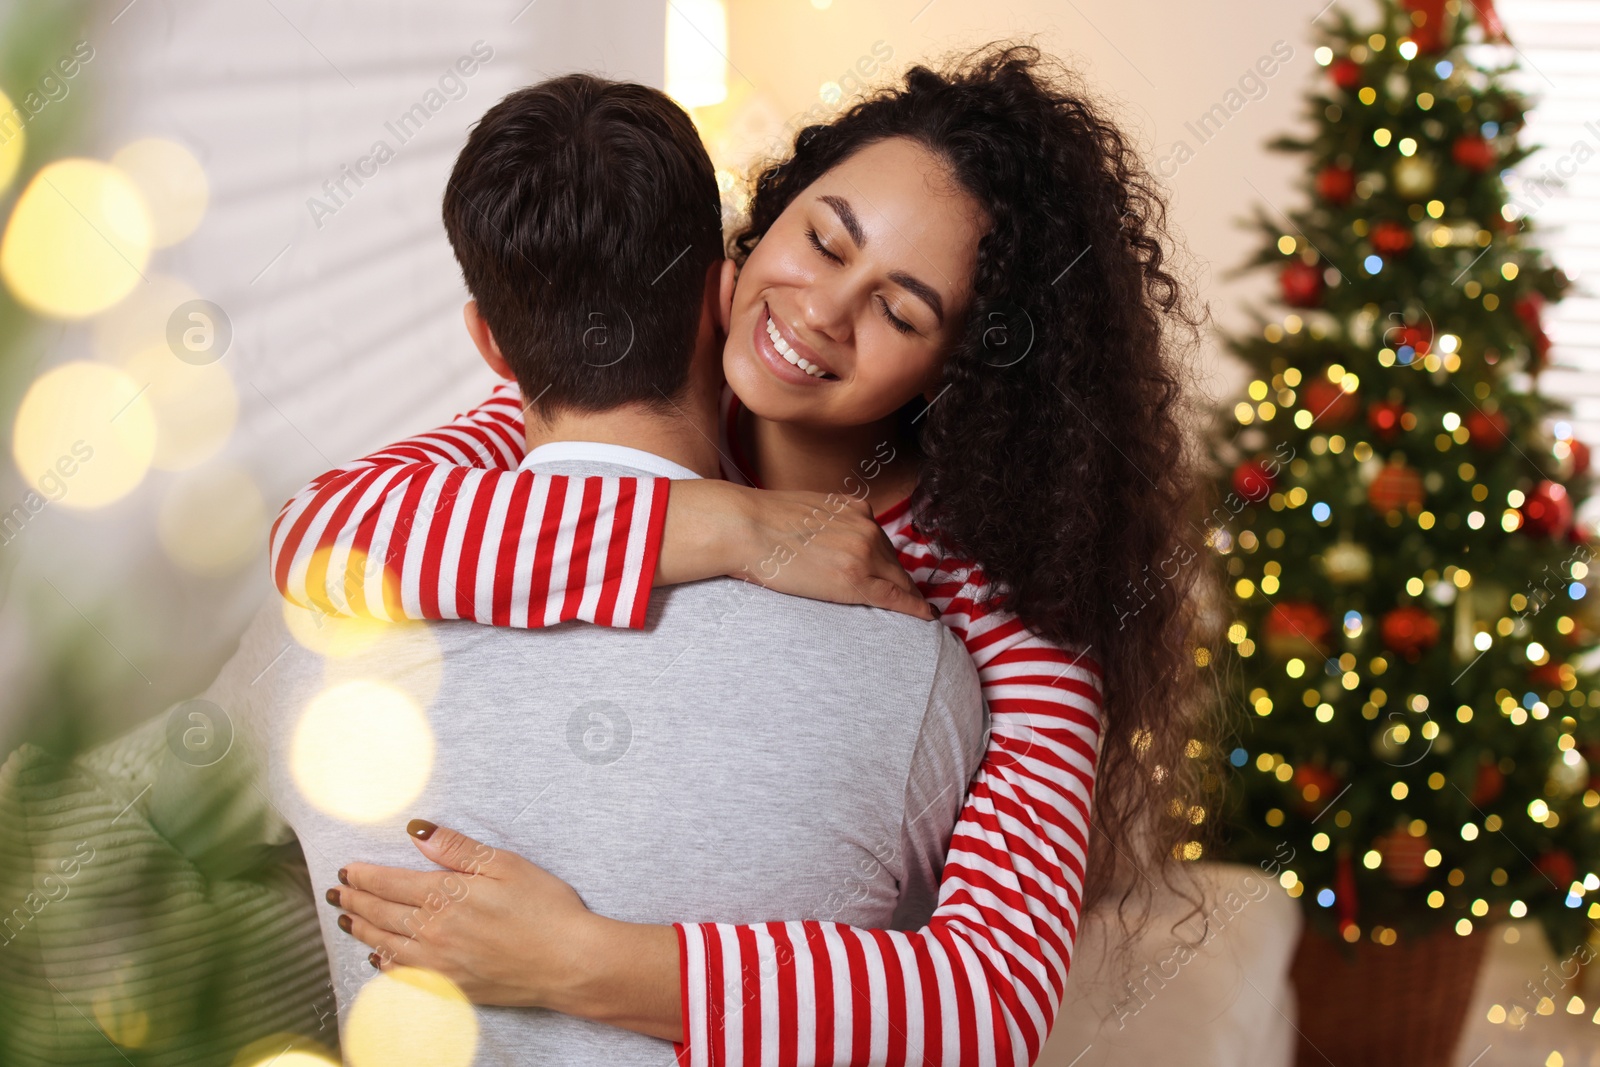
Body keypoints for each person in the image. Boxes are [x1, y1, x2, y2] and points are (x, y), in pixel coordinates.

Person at [273, 44, 1208, 1066]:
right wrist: (722, 524)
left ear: (965, 367)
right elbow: (321, 537)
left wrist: (586, 962)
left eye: (899, 310)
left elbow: (988, 1006)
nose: (820, 310)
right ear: (762, 221)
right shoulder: (635, 382)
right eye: (822, 237)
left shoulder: (1011, 609)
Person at [172, 73, 992, 1066]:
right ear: (719, 296)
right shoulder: (918, 673)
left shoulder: (309, 642)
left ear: (490, 343)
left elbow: (115, 871)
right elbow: (956, 1015)